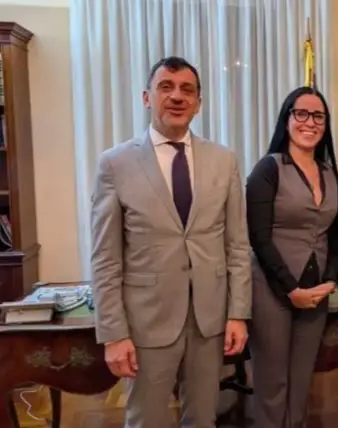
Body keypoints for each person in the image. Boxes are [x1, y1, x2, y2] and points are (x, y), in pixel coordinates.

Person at [90, 56, 252, 427]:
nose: (177, 97)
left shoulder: (223, 160)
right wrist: (113, 334)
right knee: (145, 420)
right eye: (166, 87)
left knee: (203, 419)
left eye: (187, 90)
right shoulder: (115, 164)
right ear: (147, 97)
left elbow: (237, 246)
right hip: (147, 322)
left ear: (198, 103)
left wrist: (238, 314)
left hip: (209, 321)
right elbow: (105, 258)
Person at [245, 86, 338, 427]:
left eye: (318, 116)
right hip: (271, 290)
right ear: (286, 119)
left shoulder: (330, 173)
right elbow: (258, 237)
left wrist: (331, 279)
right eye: (301, 113)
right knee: (273, 385)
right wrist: (290, 288)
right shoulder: (268, 169)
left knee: (301, 383)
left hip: (315, 292)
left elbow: (335, 233)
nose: (310, 122)